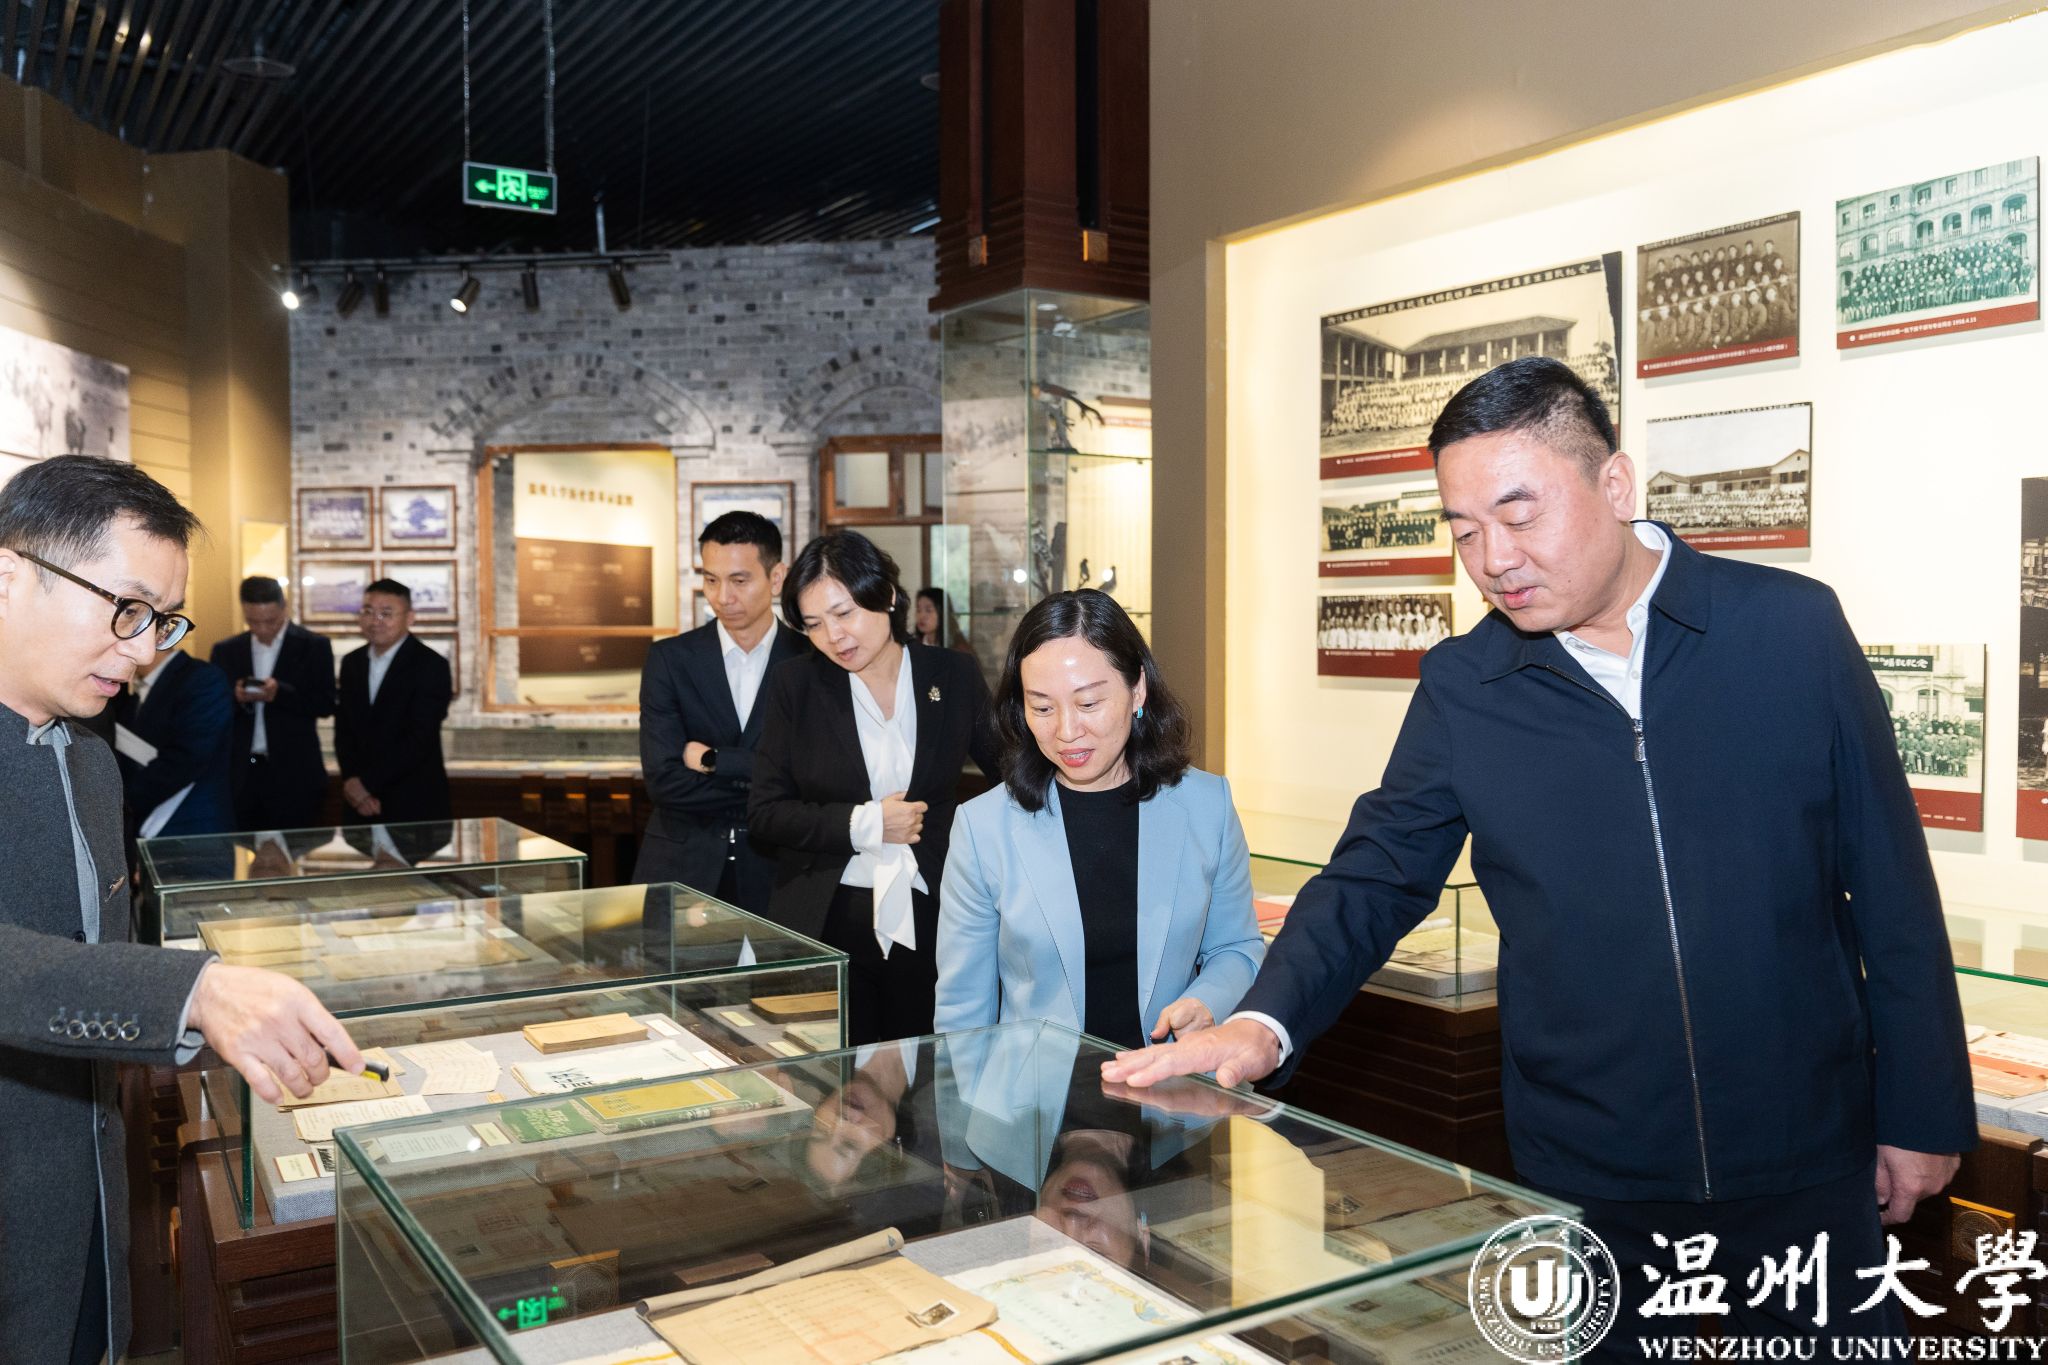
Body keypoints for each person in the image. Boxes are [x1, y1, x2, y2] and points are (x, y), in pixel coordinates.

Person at [1104, 356, 1972, 1351]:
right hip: (1593, 1172)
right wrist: (1263, 1023)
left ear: (1615, 483)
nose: (1493, 559)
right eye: (1464, 531)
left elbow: (1891, 887)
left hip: (1806, 1149)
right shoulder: (1466, 684)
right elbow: (1374, 875)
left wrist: (1922, 1112)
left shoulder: (1788, 628)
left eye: (1519, 515)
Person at [0, 455, 366, 1365]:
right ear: (9, 575)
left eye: (163, 620)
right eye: (126, 608)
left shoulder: (89, 759)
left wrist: (224, 1019)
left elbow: (90, 964)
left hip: (85, 1217)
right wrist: (192, 992)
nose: (144, 648)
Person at [934, 589, 1264, 1051]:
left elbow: (1237, 948)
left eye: (1088, 703)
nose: (1067, 731)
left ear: (1137, 689)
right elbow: (963, 1011)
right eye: (1042, 708)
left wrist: (1207, 1000)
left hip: (1172, 1081)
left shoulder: (1206, 805)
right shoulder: (984, 827)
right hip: (1035, 1091)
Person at [750, 530, 998, 1045]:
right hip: (830, 916)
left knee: (930, 1064)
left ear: (885, 595)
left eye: (844, 613)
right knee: (841, 1077)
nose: (833, 636)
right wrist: (866, 823)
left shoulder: (951, 673)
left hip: (936, 906)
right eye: (814, 624)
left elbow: (1010, 774)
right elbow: (766, 812)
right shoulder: (797, 685)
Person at [634, 511, 808, 910]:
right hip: (682, 869)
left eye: (739, 581)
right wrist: (771, 791)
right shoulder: (669, 660)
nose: (722, 597)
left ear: (776, 578)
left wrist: (716, 760)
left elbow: (814, 780)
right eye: (711, 580)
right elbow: (663, 781)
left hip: (781, 873)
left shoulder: (812, 662)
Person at [209, 575, 336, 831]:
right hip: (243, 774)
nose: (263, 629)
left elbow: (325, 703)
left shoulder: (313, 646)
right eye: (253, 621)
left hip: (295, 773)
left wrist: (279, 693)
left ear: (283, 607)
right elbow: (212, 710)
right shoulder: (227, 650)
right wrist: (236, 697)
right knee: (241, 847)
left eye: (270, 621)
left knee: (295, 847)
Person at [335, 578, 453, 824]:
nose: (375, 621)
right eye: (368, 612)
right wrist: (352, 781)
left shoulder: (431, 666)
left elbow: (420, 738)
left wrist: (367, 784)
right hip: (358, 803)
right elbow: (344, 729)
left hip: (412, 802)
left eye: (386, 614)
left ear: (410, 618)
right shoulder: (352, 663)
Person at [113, 635, 235, 840]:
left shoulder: (203, 679)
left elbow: (187, 758)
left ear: (156, 638)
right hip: (146, 827)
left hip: (193, 830)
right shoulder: (133, 692)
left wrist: (119, 801)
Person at [912, 586, 973, 654]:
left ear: (943, 613)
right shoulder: (913, 645)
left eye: (928, 610)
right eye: (918, 610)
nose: (921, 616)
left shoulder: (958, 647)